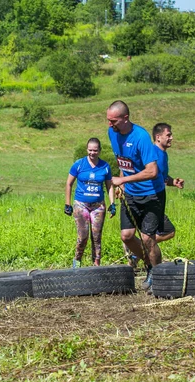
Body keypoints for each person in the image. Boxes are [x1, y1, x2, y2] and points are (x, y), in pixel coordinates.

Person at [106, 100, 166, 292]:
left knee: (149, 239)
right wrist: (123, 182)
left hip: (151, 194)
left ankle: (159, 276)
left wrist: (122, 181)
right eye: (108, 120)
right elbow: (124, 162)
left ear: (125, 118)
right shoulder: (112, 133)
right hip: (131, 194)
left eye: (113, 120)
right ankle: (150, 264)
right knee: (127, 236)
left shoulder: (140, 137)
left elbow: (152, 171)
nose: (109, 124)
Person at [64, 138, 116, 268]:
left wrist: (112, 203)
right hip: (81, 205)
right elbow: (69, 184)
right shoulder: (79, 164)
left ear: (99, 151)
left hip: (98, 206)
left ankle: (96, 264)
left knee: (97, 237)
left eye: (95, 150)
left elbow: (110, 186)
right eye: (90, 150)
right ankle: (77, 262)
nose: (92, 153)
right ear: (87, 150)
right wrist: (67, 204)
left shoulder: (105, 167)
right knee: (83, 237)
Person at [153, 122, 185, 243]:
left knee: (158, 231)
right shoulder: (153, 152)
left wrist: (173, 182)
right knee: (169, 231)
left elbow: (162, 176)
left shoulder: (163, 154)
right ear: (158, 137)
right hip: (151, 198)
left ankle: (138, 253)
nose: (171, 138)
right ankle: (138, 248)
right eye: (168, 135)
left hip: (159, 198)